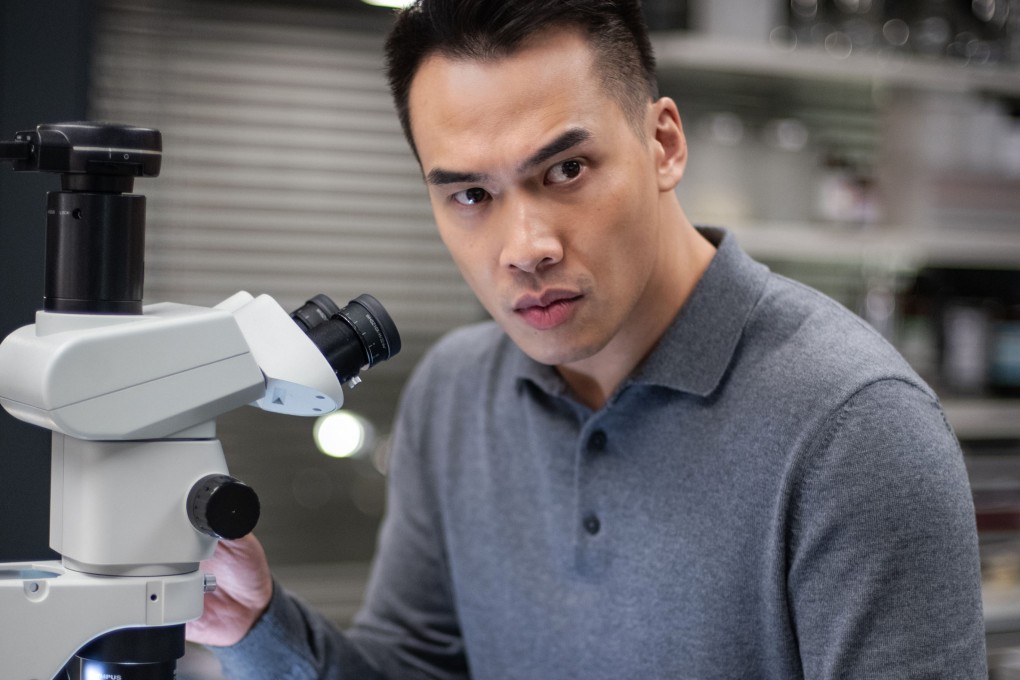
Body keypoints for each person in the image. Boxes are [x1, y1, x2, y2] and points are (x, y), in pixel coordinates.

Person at [186, 0, 988, 677]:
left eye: (564, 171)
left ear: (664, 143)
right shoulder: (455, 392)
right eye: (471, 193)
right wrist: (258, 626)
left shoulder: (856, 426)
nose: (524, 245)